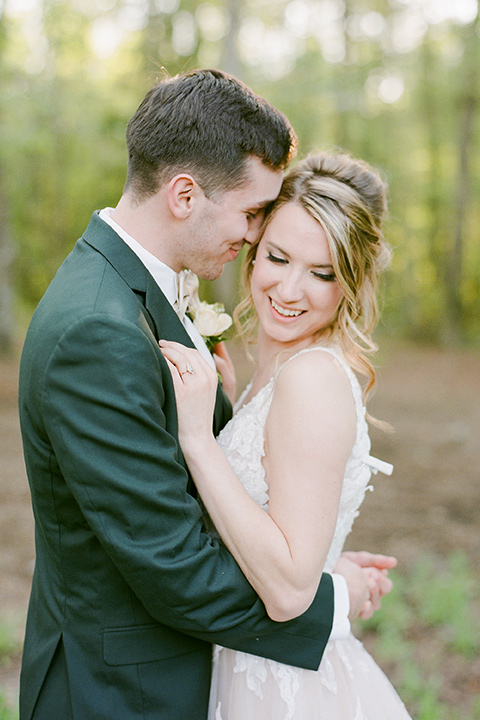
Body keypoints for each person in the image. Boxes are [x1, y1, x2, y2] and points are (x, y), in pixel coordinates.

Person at [18, 69, 395, 720]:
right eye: (253, 216)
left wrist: (315, 557)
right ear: (185, 195)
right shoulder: (98, 330)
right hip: (116, 691)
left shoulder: (141, 291)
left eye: (320, 270)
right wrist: (330, 600)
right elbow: (172, 564)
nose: (254, 238)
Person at [160, 150, 412, 719]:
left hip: (279, 687)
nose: (290, 289)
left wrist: (200, 441)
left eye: (322, 274)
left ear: (350, 283)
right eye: (278, 257)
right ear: (253, 248)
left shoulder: (312, 378)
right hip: (241, 659)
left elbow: (292, 589)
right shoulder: (275, 372)